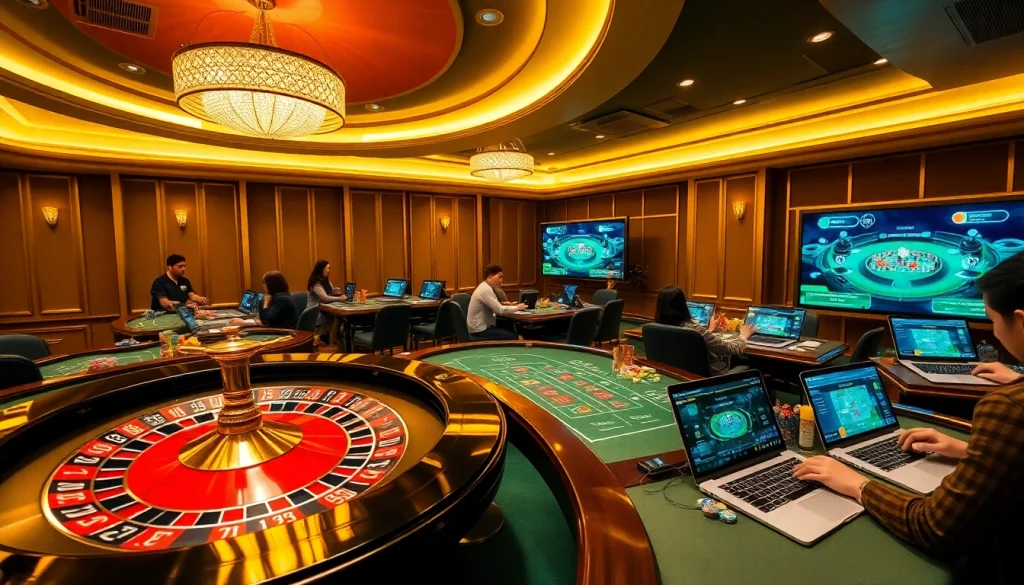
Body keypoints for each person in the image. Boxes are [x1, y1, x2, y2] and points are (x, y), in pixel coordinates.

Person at [793, 251, 1024, 583]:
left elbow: (933, 527)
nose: (996, 333)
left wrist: (856, 483)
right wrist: (968, 450)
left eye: (993, 321)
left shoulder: (1007, 407)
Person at [653, 286, 753, 375]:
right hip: (702, 378)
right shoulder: (694, 330)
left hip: (673, 375)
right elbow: (729, 348)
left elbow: (695, 340)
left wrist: (709, 330)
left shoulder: (656, 327)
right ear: (683, 305)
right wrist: (743, 335)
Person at [467, 265, 525, 340]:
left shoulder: (486, 287)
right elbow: (500, 311)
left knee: (508, 325)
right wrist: (518, 307)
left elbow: (494, 306)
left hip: (482, 327)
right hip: (480, 331)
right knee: (515, 336)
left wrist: (502, 304)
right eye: (499, 277)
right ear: (490, 275)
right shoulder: (485, 290)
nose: (501, 280)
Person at [229, 271, 298, 329]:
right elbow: (264, 319)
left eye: (264, 284)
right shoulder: (278, 296)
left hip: (284, 334)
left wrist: (265, 304)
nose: (263, 287)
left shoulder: (281, 299)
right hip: (277, 330)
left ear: (271, 285)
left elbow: (266, 321)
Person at [306, 260, 346, 346]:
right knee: (338, 316)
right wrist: (340, 298)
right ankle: (332, 339)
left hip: (324, 309)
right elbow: (325, 298)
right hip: (315, 312)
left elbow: (332, 291)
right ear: (321, 269)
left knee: (339, 316)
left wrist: (343, 292)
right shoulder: (315, 283)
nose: (329, 270)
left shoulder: (325, 280)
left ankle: (330, 336)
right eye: (328, 268)